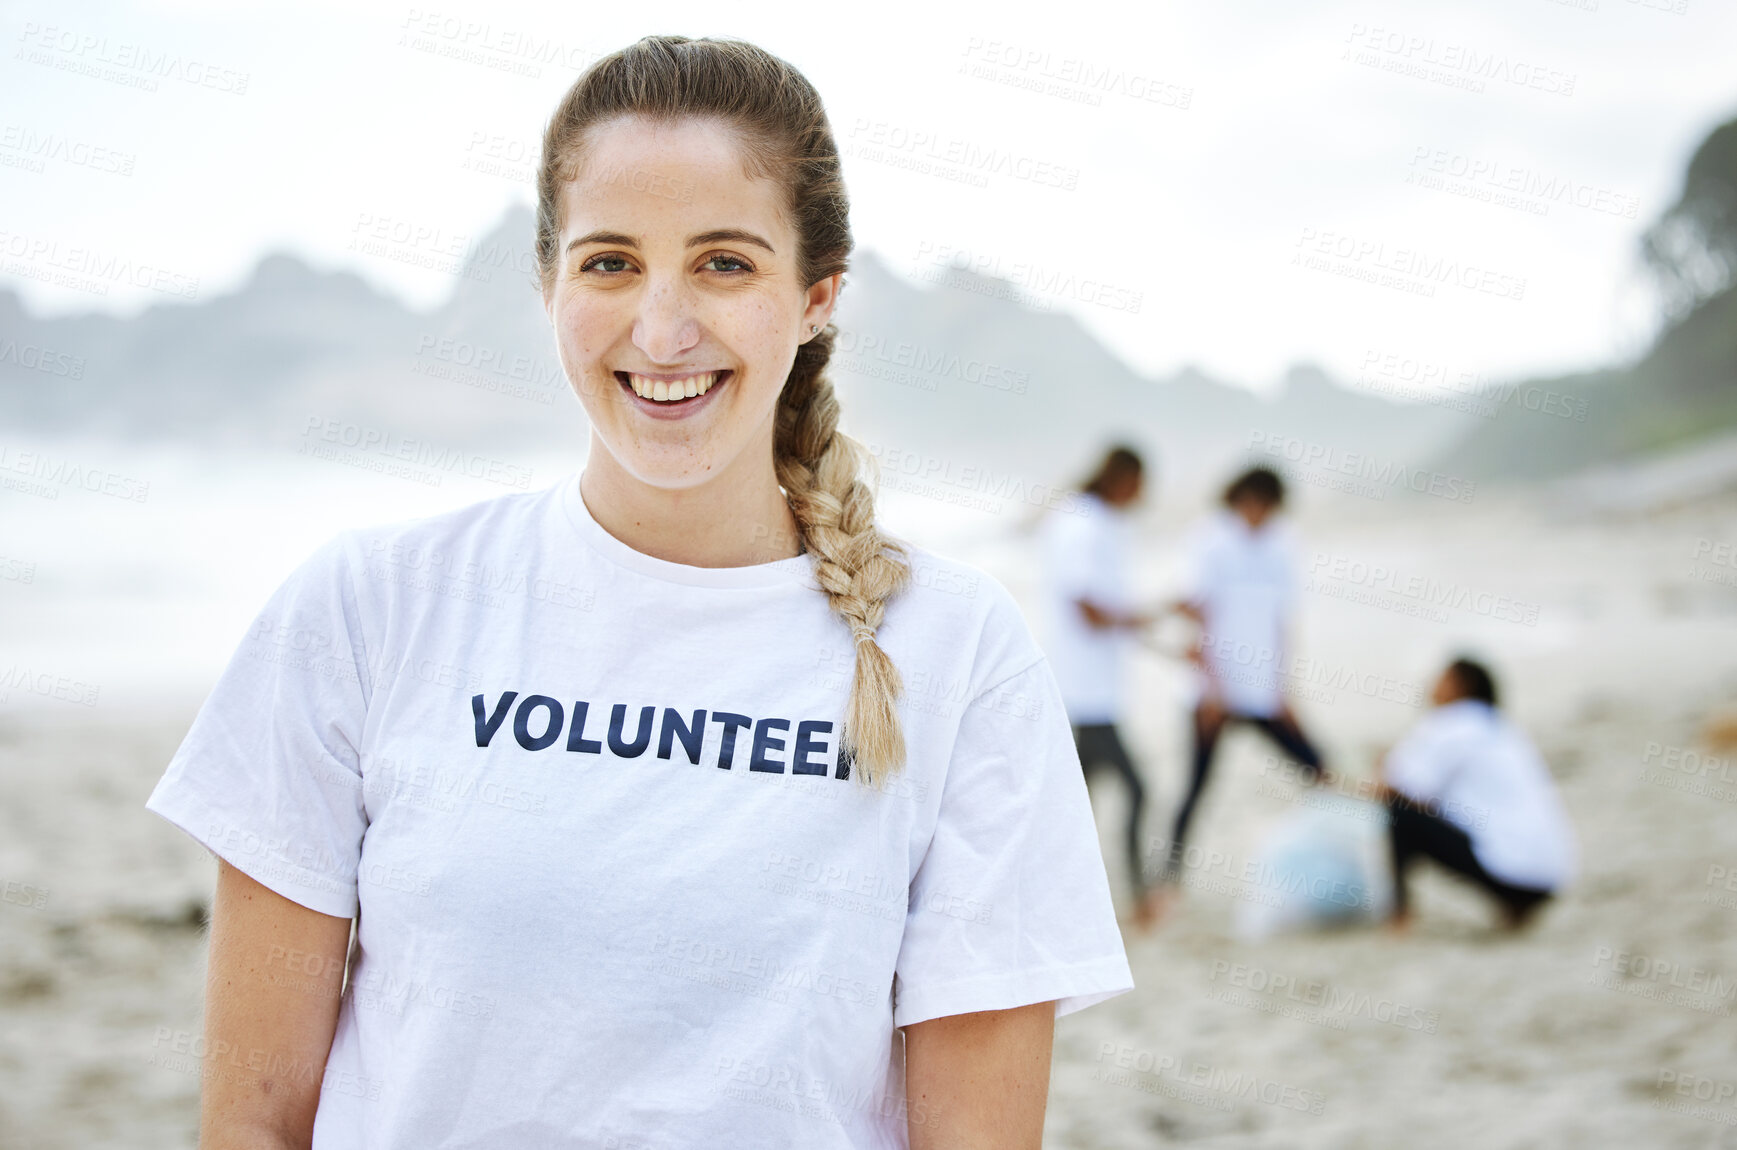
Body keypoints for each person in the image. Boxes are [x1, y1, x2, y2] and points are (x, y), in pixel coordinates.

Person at [143, 37, 1133, 1150]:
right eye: (610, 262)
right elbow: (256, 1120)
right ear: (550, 284)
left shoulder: (958, 654)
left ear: (816, 297)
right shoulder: (369, 611)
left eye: (724, 264)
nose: (663, 331)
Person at [1157, 466, 1328, 889]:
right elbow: (1195, 613)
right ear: (1239, 499)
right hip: (1214, 693)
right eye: (1254, 504)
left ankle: (1337, 859)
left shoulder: (1282, 543)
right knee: (1197, 788)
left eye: (1268, 507)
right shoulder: (1210, 539)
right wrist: (1212, 688)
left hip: (1263, 691)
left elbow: (1282, 621)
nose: (1259, 513)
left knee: (1317, 769)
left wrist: (1284, 688)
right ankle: (1169, 878)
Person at [1038, 446, 1166, 930]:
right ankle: (1140, 899)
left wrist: (1161, 632)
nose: (1141, 496)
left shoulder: (1093, 522)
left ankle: (1057, 899)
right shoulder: (1081, 523)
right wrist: (1149, 615)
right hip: (1084, 692)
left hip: (1092, 690)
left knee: (1076, 804)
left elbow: (1103, 610)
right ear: (1122, 478)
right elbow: (1088, 610)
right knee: (1136, 789)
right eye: (1139, 484)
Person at [1378, 658, 1576, 931]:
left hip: (1507, 869)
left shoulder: (1452, 722)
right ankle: (1516, 908)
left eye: (1441, 678)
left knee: (1399, 812)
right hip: (1550, 875)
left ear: (1461, 686)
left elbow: (1402, 788)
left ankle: (1399, 916)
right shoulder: (1502, 727)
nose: (1431, 686)